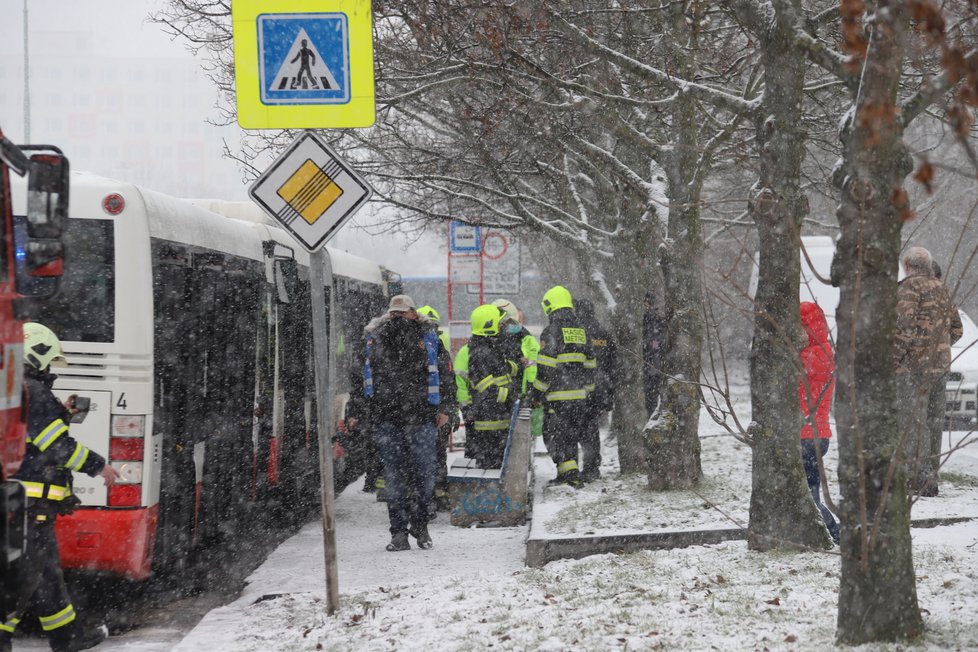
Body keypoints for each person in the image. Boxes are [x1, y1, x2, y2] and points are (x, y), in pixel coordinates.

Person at [2, 323, 119, 652]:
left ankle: (67, 638)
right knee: (22, 577)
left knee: (45, 575)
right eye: (49, 361)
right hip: (25, 506)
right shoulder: (31, 391)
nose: (50, 368)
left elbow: (31, 439)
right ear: (35, 355)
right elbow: (57, 447)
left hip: (22, 506)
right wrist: (99, 466)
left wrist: (61, 415)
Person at [347, 295, 456, 551]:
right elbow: (359, 379)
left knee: (423, 476)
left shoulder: (428, 338)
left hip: (420, 417)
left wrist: (446, 408)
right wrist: (358, 411)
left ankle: (420, 526)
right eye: (394, 314)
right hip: (390, 419)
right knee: (396, 479)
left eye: (402, 313)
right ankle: (398, 533)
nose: (398, 319)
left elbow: (445, 375)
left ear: (413, 313)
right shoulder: (375, 340)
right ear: (389, 315)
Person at [895, 247, 962, 497]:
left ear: (908, 266)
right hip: (940, 367)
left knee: (913, 422)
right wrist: (939, 348)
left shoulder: (909, 289)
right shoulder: (942, 288)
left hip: (913, 369)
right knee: (934, 422)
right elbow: (957, 329)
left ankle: (917, 478)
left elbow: (903, 328)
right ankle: (931, 476)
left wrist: (893, 361)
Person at [528, 286, 596, 488]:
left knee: (555, 437)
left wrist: (536, 394)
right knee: (571, 437)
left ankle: (570, 476)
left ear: (550, 306)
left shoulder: (552, 331)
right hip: (579, 397)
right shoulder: (581, 330)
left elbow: (546, 369)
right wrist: (588, 390)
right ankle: (569, 475)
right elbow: (591, 364)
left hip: (558, 398)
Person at [798, 302, 840, 544]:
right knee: (809, 489)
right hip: (816, 433)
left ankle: (835, 533)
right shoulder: (823, 351)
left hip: (808, 434)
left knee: (810, 495)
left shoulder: (812, 356)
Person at [465, 305, 519, 468]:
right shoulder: (480, 353)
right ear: (489, 327)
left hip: (497, 419)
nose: (503, 328)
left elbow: (499, 372)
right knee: (491, 466)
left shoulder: (490, 349)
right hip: (489, 424)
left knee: (498, 463)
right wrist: (511, 396)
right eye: (500, 324)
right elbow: (487, 390)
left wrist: (514, 367)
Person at [416, 306, 455, 511]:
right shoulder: (413, 348)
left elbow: (449, 381)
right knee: (425, 456)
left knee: (437, 454)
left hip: (434, 413)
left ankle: (436, 494)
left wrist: (448, 410)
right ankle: (427, 496)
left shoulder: (439, 349)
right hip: (420, 413)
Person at [575, 300, 617, 483]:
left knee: (573, 429)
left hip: (579, 388)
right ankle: (592, 468)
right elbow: (612, 364)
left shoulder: (577, 333)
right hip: (599, 390)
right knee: (591, 430)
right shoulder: (603, 333)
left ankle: (571, 470)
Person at [642, 291, 666, 416]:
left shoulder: (655, 320)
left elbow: (657, 343)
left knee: (651, 397)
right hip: (649, 364)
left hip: (652, 365)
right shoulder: (644, 319)